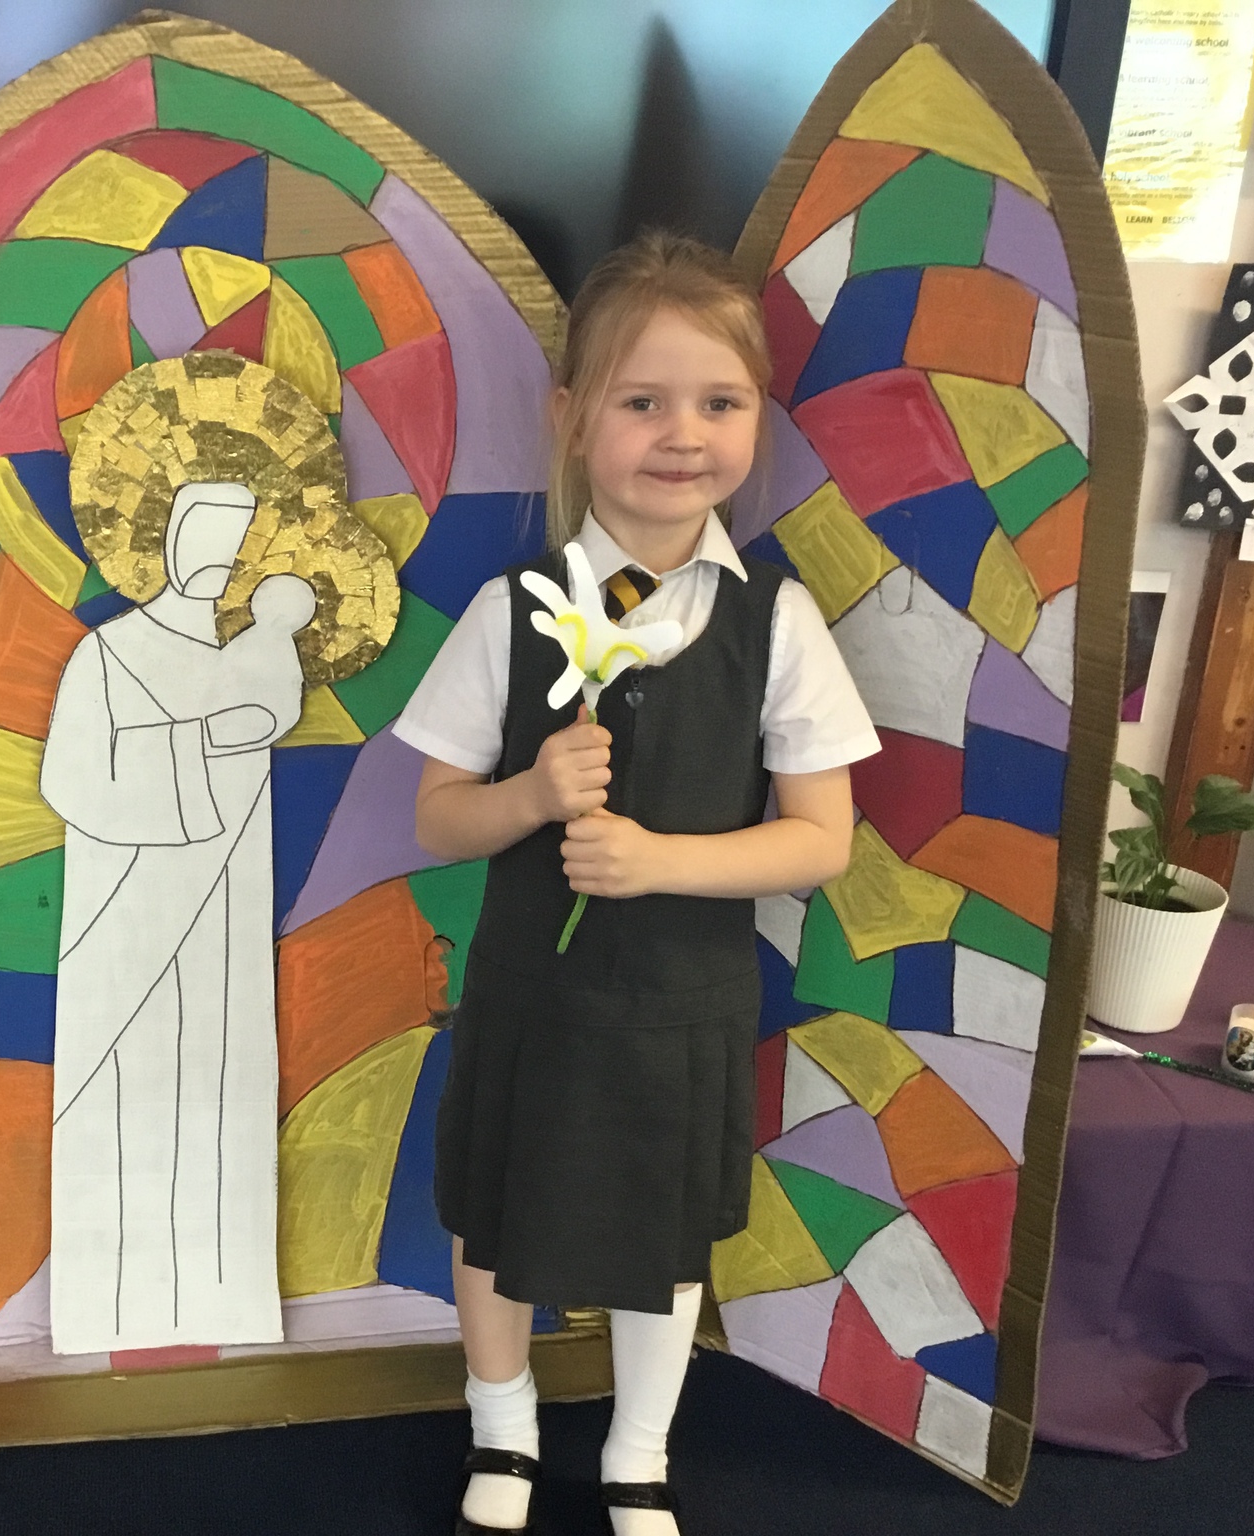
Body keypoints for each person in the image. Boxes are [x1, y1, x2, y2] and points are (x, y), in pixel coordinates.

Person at [392, 232, 879, 1536]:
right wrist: (530, 796)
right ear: (571, 417)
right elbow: (436, 817)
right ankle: (502, 1430)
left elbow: (820, 840)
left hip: (681, 1008)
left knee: (662, 1235)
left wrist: (660, 862)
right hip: (530, 1002)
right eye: (642, 400)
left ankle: (638, 1451)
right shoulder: (511, 610)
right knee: (494, 1214)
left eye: (719, 402)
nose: (683, 435)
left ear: (757, 418)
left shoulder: (775, 624)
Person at [40, 478, 317, 1355]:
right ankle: (110, 1296)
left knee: (220, 1082)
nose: (215, 563)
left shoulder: (245, 658)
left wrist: (238, 722)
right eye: (202, 539)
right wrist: (199, 744)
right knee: (124, 1095)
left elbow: (266, 721)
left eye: (233, 548)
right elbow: (71, 779)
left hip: (221, 920)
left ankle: (221, 1292)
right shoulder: (109, 654)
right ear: (162, 542)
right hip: (126, 918)